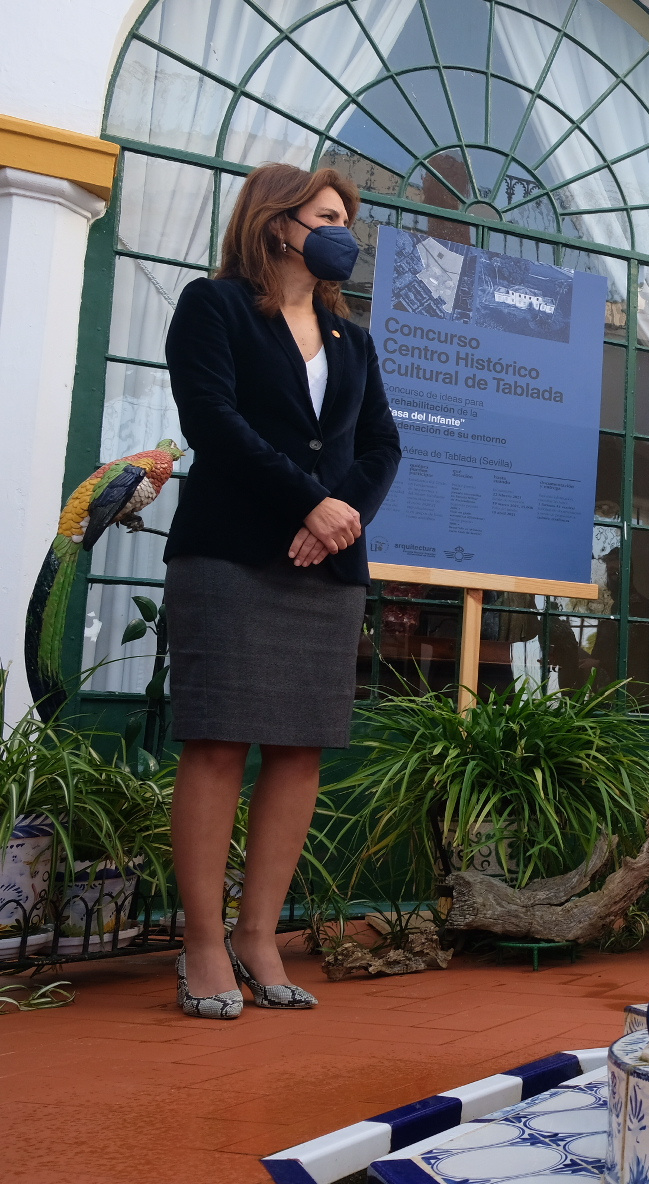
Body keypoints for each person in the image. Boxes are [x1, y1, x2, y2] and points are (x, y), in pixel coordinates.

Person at [163, 164, 400, 1018]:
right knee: (220, 742)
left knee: (300, 750)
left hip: (325, 566)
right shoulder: (214, 306)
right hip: (230, 554)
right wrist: (309, 501)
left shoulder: (353, 339)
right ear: (277, 222)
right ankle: (200, 944)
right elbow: (212, 422)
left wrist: (340, 518)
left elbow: (381, 448)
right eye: (331, 215)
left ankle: (260, 936)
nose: (346, 232)